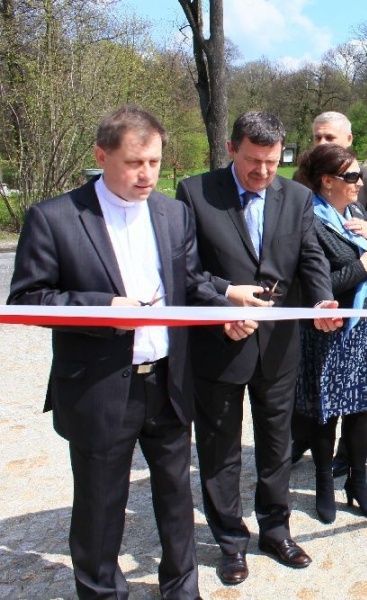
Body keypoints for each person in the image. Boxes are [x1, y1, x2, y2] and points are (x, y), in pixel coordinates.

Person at [7, 106, 257, 599]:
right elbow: (26, 299)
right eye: (135, 163)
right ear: (102, 157)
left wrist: (227, 300)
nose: (147, 175)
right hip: (101, 387)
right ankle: (102, 593)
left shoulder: (172, 212)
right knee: (100, 506)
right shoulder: (55, 217)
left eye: (156, 163)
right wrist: (104, 309)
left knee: (175, 498)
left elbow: (188, 282)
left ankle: (182, 589)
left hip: (168, 381)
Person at [177, 111, 339, 585]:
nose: (264, 172)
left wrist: (323, 299)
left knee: (276, 445)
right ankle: (230, 541)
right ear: (232, 149)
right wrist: (224, 303)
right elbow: (185, 272)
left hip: (279, 348)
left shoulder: (297, 197)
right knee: (220, 448)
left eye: (272, 162)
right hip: (219, 344)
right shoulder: (195, 193)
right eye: (253, 161)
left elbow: (310, 259)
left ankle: (276, 529)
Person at [292, 143, 367, 523]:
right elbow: (318, 283)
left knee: (359, 407)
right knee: (326, 410)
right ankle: (323, 485)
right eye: (351, 176)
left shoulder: (354, 210)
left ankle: (358, 482)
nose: (359, 181)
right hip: (330, 325)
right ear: (327, 181)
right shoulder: (310, 221)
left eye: (359, 173)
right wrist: (364, 264)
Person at [311, 111, 367, 238]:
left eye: (329, 138)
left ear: (349, 139)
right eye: (318, 138)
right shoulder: (303, 177)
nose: (322, 143)